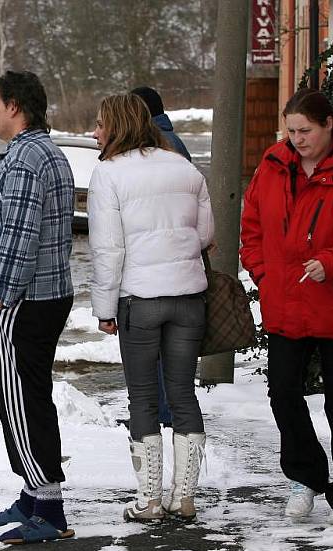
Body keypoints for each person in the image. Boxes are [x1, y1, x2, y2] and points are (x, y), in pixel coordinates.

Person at [88, 94, 214, 522]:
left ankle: (149, 502)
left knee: (143, 398)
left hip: (139, 300)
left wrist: (104, 309)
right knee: (182, 394)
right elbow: (204, 234)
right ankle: (185, 498)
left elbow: (108, 250)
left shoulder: (108, 173)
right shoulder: (185, 168)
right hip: (189, 299)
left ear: (118, 125)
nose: (94, 131)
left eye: (100, 123)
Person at [0, 70, 76, 544]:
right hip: (38, 295)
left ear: (14, 106)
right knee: (26, 395)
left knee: (21, 401)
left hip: (23, 298)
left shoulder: (29, 157)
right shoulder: (39, 151)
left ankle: (49, 510)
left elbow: (19, 234)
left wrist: (3, 291)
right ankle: (33, 495)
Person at [239, 88, 333, 525]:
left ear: (328, 125)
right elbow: (252, 228)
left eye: (305, 130)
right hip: (285, 302)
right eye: (291, 131)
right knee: (283, 392)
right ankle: (305, 477)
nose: (297, 139)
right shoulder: (272, 164)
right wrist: (266, 276)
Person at [132, 85, 193, 429]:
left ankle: (163, 415)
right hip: (175, 260)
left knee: (158, 348)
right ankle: (164, 412)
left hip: (163, 263)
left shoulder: (160, 144)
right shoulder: (171, 140)